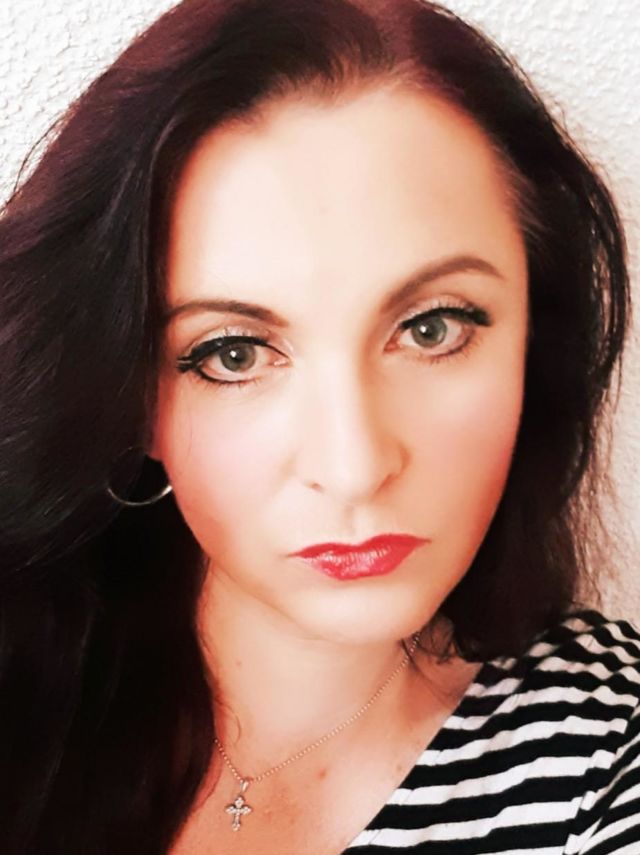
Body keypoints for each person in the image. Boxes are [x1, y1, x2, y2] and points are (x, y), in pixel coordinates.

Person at [0, 0, 638, 852]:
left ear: (536, 339)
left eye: (432, 328)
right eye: (232, 353)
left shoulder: (604, 759)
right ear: (126, 390)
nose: (354, 466)